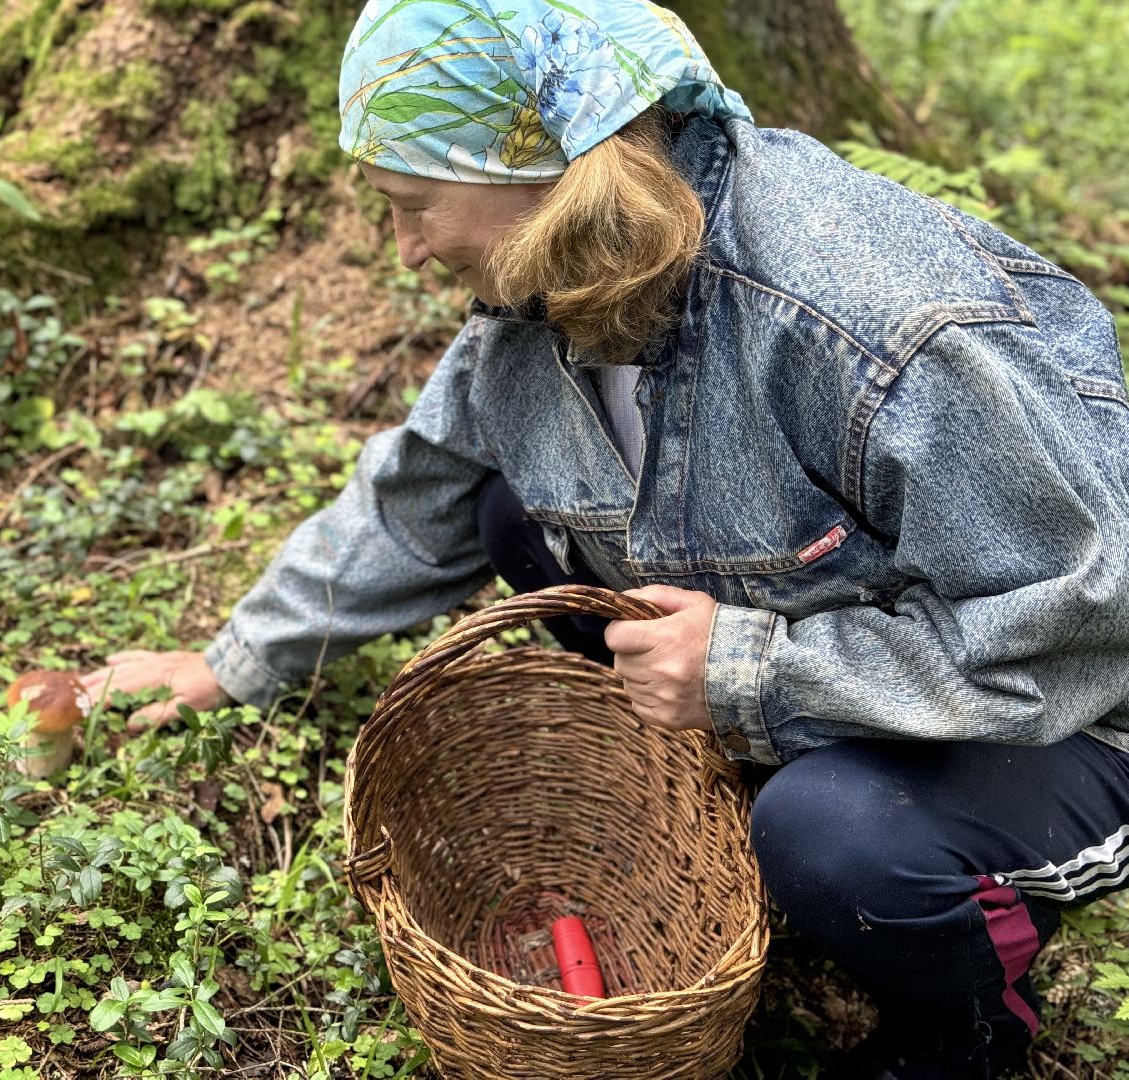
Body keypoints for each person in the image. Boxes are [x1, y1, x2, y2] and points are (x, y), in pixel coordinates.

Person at [82, 3, 1129, 1076]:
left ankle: (969, 1017)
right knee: (502, 508)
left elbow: (1080, 627)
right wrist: (231, 666)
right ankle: (727, 792)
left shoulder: (864, 326)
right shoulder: (551, 288)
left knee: (838, 838)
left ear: (538, 174)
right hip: (842, 648)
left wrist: (749, 678)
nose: (404, 249)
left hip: (1071, 715)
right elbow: (418, 497)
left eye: (413, 205)